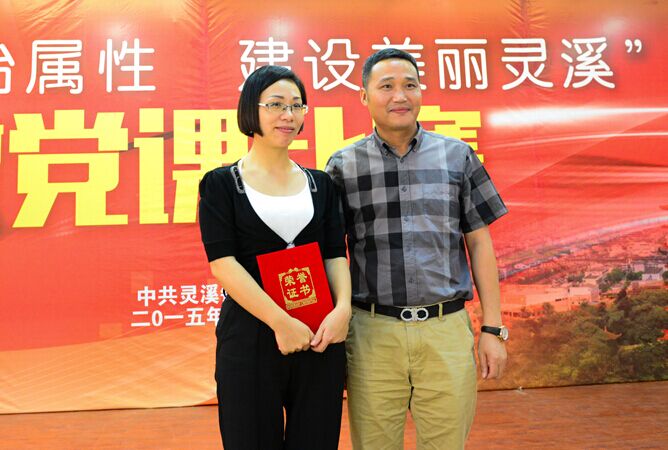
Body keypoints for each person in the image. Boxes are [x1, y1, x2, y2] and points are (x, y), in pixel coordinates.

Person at [325, 48, 509, 449]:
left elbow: (479, 243)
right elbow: (333, 254)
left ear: (421, 91)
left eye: (409, 85)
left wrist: (493, 329)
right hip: (372, 333)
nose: (400, 96)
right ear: (364, 95)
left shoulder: (457, 156)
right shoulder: (343, 166)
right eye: (386, 86)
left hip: (446, 330)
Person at [198, 65, 352, 450]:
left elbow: (335, 254)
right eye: (276, 105)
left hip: (319, 335)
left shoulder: (321, 184)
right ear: (251, 110)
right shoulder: (220, 184)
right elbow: (223, 264)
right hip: (250, 336)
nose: (288, 115)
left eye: (297, 106)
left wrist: (343, 310)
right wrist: (280, 322)